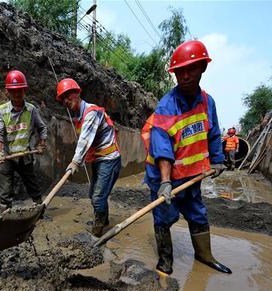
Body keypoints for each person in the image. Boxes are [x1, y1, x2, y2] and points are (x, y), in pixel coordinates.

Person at [141, 40, 231, 275]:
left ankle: (204, 255)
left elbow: (212, 133)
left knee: (197, 213)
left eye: (191, 69)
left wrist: (218, 159)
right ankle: (165, 261)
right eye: (180, 71)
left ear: (203, 67)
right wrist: (165, 182)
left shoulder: (207, 102)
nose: (185, 75)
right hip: (165, 175)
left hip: (191, 175)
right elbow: (162, 149)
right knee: (164, 215)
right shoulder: (166, 107)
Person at [56, 78, 121, 237]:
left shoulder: (91, 112)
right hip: (98, 161)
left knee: (98, 197)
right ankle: (104, 221)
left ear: (77, 93)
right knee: (94, 195)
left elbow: (85, 140)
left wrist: (75, 162)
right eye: (62, 98)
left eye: (68, 95)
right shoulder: (79, 116)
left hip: (109, 159)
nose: (65, 100)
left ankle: (97, 233)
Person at [0, 70, 47, 211]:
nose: (16, 94)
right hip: (7, 156)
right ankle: (5, 215)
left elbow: (42, 128)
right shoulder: (2, 111)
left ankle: (38, 208)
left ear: (24, 90)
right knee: (5, 190)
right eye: (13, 91)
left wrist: (42, 144)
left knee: (32, 184)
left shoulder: (31, 109)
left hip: (25, 155)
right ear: (7, 92)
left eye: (19, 91)